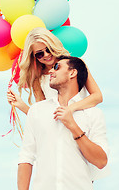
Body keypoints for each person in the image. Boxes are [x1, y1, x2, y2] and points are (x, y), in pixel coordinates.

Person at [17, 56, 109, 190]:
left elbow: (101, 161)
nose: (50, 71)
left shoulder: (93, 114)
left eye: (56, 67)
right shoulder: (37, 111)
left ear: (73, 73)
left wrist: (73, 126)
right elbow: (26, 156)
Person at [7, 27, 103, 115]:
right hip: (57, 129)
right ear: (34, 57)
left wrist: (70, 109)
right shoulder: (38, 79)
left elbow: (97, 96)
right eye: (39, 54)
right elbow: (41, 116)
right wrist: (21, 105)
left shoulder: (75, 64)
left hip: (82, 123)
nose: (46, 55)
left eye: (48, 49)